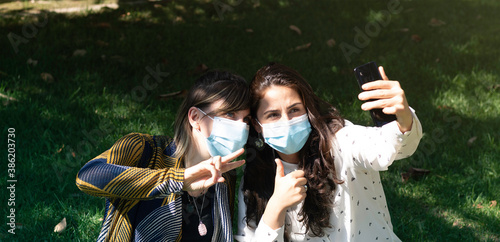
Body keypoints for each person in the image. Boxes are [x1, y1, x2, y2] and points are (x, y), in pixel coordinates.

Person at [235, 63, 422, 241]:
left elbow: (390, 146)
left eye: (294, 110)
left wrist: (403, 118)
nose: (287, 121)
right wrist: (275, 207)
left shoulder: (339, 141)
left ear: (307, 111)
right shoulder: (254, 179)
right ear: (256, 124)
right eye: (273, 115)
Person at [76, 70, 251, 242]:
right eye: (230, 114)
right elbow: (87, 177)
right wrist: (180, 179)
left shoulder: (223, 177)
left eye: (246, 120)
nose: (241, 127)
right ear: (195, 117)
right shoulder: (145, 149)